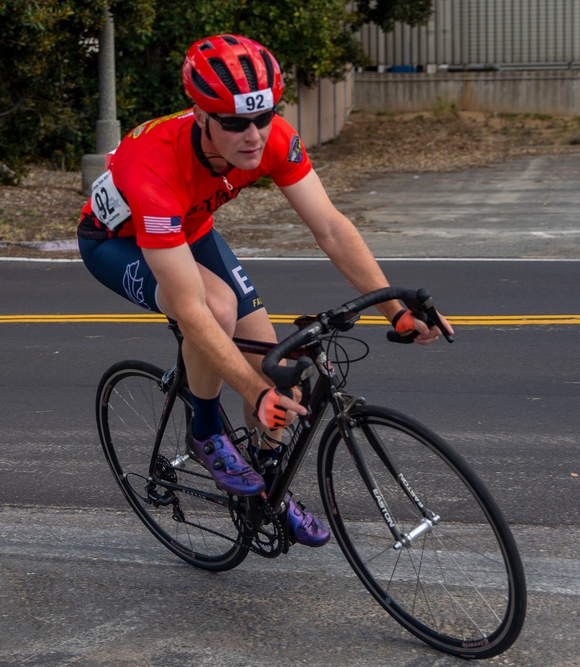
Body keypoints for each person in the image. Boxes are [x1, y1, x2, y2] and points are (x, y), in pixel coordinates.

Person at [78, 34, 452, 548]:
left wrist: (395, 310)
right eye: (234, 123)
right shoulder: (155, 164)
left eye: (264, 116)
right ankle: (206, 429)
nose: (253, 135)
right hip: (118, 243)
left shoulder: (271, 137)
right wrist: (252, 393)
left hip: (191, 228)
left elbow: (332, 228)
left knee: (280, 368)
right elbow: (191, 307)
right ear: (201, 116)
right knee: (215, 308)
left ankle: (265, 488)